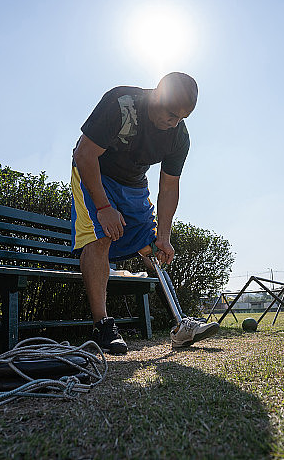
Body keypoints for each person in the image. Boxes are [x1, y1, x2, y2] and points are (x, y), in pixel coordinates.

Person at [71, 72, 219, 354]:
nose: (174, 122)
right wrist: (104, 208)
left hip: (134, 182)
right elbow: (84, 154)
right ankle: (102, 327)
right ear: (157, 95)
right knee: (100, 237)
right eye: (171, 114)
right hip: (93, 170)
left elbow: (169, 185)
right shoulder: (121, 103)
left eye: (182, 118)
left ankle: (180, 325)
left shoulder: (179, 137)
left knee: (153, 248)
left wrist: (164, 236)